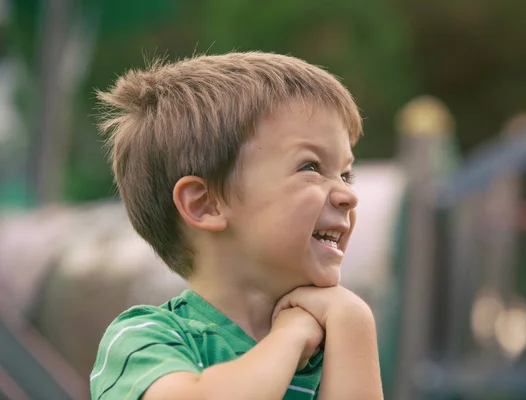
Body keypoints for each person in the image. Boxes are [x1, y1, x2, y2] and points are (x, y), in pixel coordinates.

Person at [89, 51, 383, 400]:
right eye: (311, 167)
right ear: (205, 204)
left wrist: (354, 324)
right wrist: (289, 336)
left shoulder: (336, 337)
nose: (348, 196)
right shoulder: (145, 339)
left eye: (346, 174)